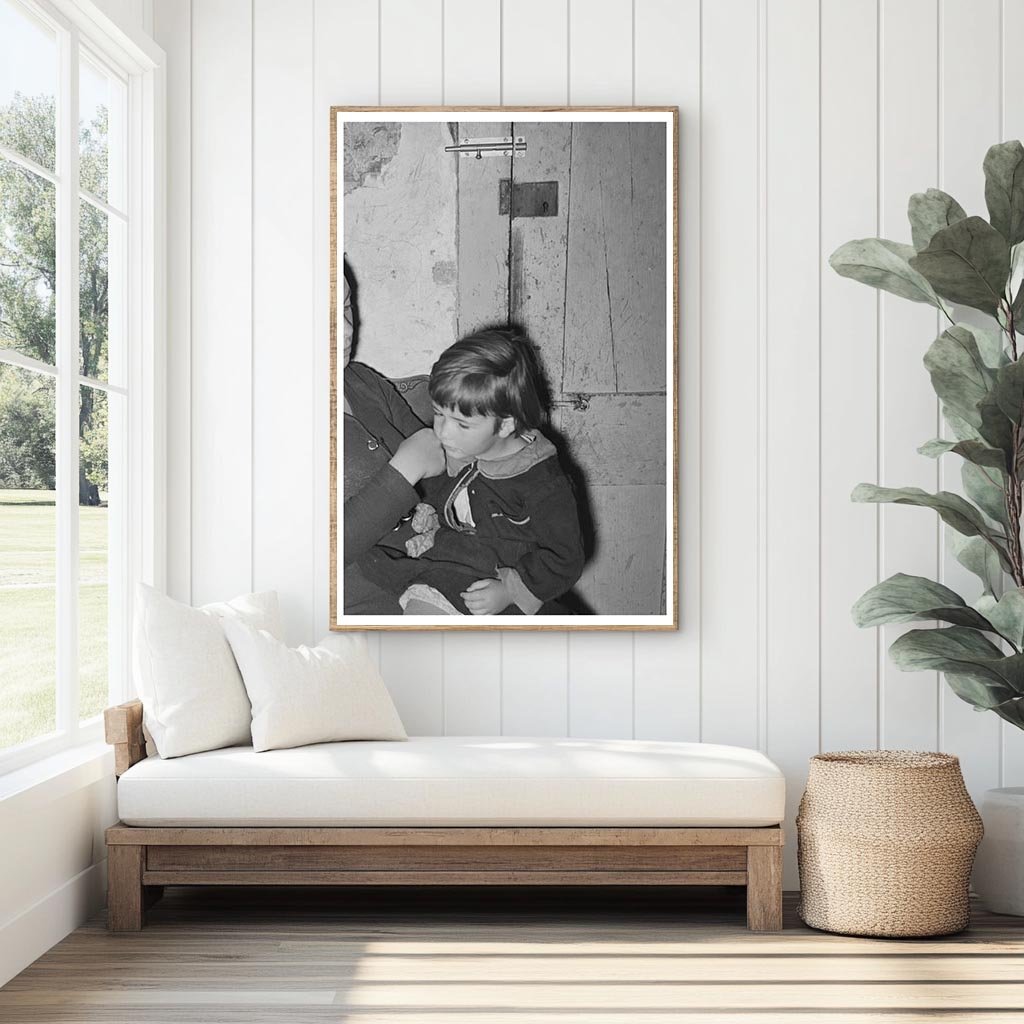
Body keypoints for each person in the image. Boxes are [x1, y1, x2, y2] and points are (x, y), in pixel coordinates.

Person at [362, 327, 585, 615]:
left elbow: (565, 558)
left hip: (500, 584)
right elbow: (444, 493)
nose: (442, 431)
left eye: (461, 423)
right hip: (446, 569)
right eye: (439, 414)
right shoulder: (463, 446)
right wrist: (429, 512)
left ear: (505, 424)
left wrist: (510, 591)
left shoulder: (543, 483)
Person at [340, 272, 446, 614]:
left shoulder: (363, 380)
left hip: (433, 575)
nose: (344, 329)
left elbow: (438, 458)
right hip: (362, 608)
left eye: (345, 307)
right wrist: (405, 470)